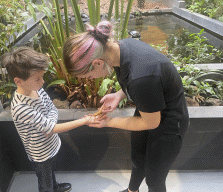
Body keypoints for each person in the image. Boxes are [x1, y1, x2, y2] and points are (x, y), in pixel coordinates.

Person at [63, 20, 189, 192]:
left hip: (169, 122)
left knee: (154, 178)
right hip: (148, 108)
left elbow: (151, 122)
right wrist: (118, 94)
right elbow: (136, 83)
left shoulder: (142, 76)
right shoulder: (119, 49)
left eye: (88, 75)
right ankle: (132, 190)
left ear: (97, 63)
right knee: (138, 158)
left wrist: (107, 122)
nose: (89, 79)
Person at [1, 46, 97, 192]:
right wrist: (85, 120)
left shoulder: (36, 89)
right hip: (40, 155)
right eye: (38, 78)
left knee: (50, 174)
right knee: (45, 183)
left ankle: (55, 187)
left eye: (42, 77)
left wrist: (49, 126)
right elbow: (53, 128)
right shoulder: (20, 108)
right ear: (18, 81)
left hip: (51, 145)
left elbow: (52, 108)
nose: (42, 82)